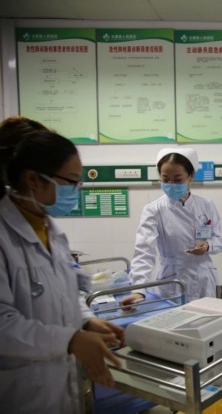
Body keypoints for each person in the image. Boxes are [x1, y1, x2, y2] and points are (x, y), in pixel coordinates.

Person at [0, 117, 125, 413]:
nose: (77, 190)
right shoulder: (4, 235)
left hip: (59, 383)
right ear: (34, 179)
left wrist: (85, 320)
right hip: (21, 392)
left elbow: (63, 292)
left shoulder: (51, 230)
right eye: (71, 182)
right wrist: (70, 340)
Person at [121, 147, 222, 305]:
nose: (171, 184)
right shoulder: (154, 210)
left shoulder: (206, 205)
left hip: (203, 277)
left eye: (177, 180)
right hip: (171, 281)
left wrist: (208, 246)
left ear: (191, 176)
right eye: (165, 179)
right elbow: (144, 252)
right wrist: (138, 291)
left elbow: (219, 240)